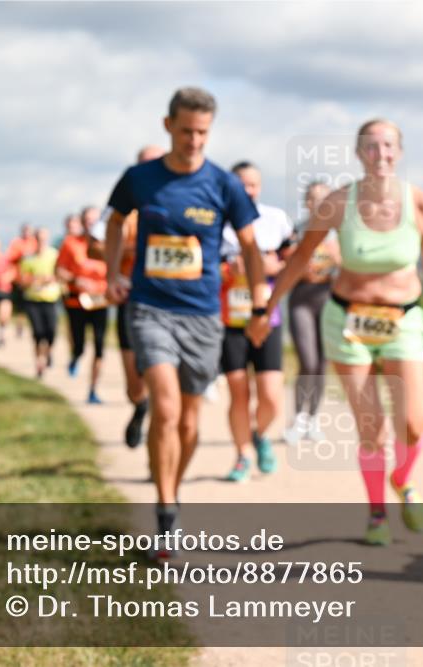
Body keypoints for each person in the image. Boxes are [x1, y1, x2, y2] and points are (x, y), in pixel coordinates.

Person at [248, 119, 423, 546]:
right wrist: (265, 308)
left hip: (404, 320)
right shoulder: (339, 204)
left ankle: (402, 480)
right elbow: (300, 258)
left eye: (388, 146)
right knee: (371, 428)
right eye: (371, 147)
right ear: (359, 154)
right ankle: (377, 513)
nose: (380, 154)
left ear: (399, 152)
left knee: (413, 425)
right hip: (348, 323)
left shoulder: (420, 203)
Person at [104, 87, 265, 553]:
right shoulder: (140, 178)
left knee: (190, 423)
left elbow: (251, 248)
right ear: (168, 125)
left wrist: (258, 305)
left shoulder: (223, 185)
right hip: (150, 308)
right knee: (167, 408)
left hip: (202, 315)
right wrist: (114, 272)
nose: (195, 141)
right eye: (187, 131)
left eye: (203, 133)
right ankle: (165, 507)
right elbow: (115, 223)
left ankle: (173, 486)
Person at [219, 161, 295, 481]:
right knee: (239, 394)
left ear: (260, 187)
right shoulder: (217, 220)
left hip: (267, 318)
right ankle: (241, 456)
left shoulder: (276, 219)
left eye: (253, 184)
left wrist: (270, 266)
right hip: (229, 320)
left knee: (271, 397)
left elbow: (293, 260)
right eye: (241, 184)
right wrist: (229, 269)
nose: (248, 190)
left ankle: (260, 435)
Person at [119, 144, 165, 449]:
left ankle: (158, 453)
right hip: (131, 301)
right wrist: (135, 251)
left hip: (168, 304)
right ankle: (139, 407)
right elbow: (97, 244)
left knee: (163, 382)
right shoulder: (125, 209)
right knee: (135, 384)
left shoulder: (174, 203)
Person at [284, 180, 336, 445]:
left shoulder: (338, 233)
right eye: (315, 199)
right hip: (301, 300)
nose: (320, 204)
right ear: (307, 202)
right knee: (308, 361)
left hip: (328, 300)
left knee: (321, 365)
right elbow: (285, 265)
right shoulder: (297, 231)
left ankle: (314, 419)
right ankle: (298, 419)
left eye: (325, 199)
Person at [56, 207, 108, 403]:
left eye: (95, 220)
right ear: (82, 222)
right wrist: (76, 280)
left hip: (101, 301)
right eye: (87, 220)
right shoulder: (70, 243)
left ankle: (93, 390)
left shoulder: (107, 243)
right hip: (76, 301)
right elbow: (59, 271)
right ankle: (75, 356)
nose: (91, 223)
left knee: (100, 347)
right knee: (80, 345)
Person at [18, 227, 61, 378]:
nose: (41, 241)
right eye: (38, 238)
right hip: (33, 299)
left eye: (43, 238)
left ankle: (48, 351)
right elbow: (22, 280)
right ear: (34, 239)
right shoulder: (28, 258)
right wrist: (36, 280)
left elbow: (60, 274)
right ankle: (39, 363)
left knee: (51, 332)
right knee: (37, 333)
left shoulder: (55, 255)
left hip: (51, 299)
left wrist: (51, 279)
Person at [6, 223, 38, 338]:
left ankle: (33, 327)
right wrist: (21, 255)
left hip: (34, 280)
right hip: (19, 280)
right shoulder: (16, 243)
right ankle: (19, 327)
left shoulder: (35, 242)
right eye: (25, 230)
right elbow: (10, 258)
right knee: (21, 307)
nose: (26, 233)